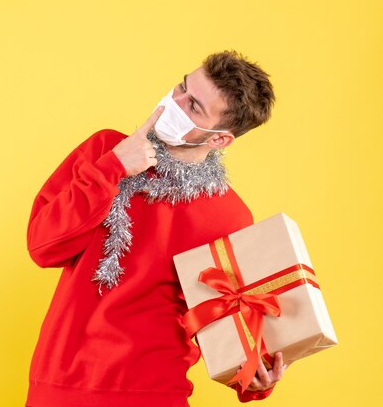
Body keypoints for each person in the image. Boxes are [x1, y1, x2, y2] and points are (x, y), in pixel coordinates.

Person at [25, 50, 287, 407]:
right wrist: (113, 167)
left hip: (156, 392)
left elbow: (228, 326)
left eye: (193, 106)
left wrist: (256, 379)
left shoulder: (231, 216)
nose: (174, 102)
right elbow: (43, 247)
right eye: (181, 87)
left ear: (220, 139)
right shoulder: (106, 149)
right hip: (62, 384)